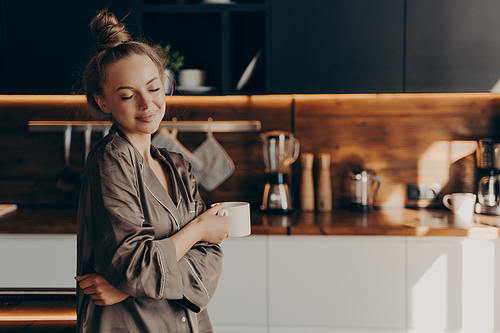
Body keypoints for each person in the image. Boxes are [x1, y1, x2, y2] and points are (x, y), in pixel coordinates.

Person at [75, 9, 230, 333]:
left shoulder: (177, 165)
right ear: (103, 102)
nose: (147, 104)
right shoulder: (109, 160)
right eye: (128, 95)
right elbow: (134, 266)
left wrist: (126, 287)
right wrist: (199, 230)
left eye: (154, 88)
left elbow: (209, 266)